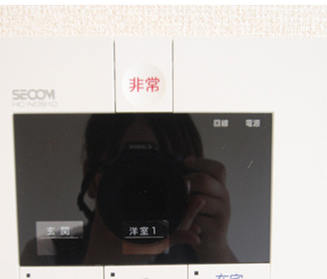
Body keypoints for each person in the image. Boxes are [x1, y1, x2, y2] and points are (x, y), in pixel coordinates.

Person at [77, 113, 238, 266]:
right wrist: (97, 264)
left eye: (163, 169)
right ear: (91, 180)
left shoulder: (201, 246)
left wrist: (215, 249)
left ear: (195, 177)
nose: (144, 187)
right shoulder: (61, 245)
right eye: (131, 168)